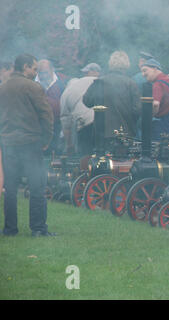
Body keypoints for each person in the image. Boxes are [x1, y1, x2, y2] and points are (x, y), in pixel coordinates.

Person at [0, 53, 55, 237]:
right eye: (34, 68)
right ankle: (38, 228)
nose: (35, 73)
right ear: (24, 67)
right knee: (37, 186)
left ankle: (9, 229)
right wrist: (46, 139)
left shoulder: (3, 87)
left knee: (10, 188)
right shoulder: (33, 87)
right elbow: (46, 115)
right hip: (31, 143)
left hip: (9, 143)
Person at [83, 51, 141, 141]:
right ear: (127, 65)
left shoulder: (100, 82)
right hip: (126, 133)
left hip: (101, 133)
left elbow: (86, 101)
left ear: (110, 64)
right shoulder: (131, 84)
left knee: (102, 155)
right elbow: (137, 110)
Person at [60, 63, 101, 156]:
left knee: (86, 155)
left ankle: (85, 168)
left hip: (85, 125)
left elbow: (66, 123)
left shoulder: (67, 92)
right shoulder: (99, 81)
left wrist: (69, 145)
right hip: (104, 123)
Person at [140, 58, 169, 139]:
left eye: (145, 70)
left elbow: (155, 104)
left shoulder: (157, 84)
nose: (143, 74)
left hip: (160, 127)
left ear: (154, 68)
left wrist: (150, 117)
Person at [36, 59, 66, 155]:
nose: (43, 76)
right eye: (40, 73)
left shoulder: (62, 82)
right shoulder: (33, 83)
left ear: (52, 70)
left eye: (45, 73)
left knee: (57, 152)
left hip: (58, 125)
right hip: (39, 126)